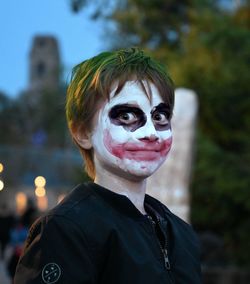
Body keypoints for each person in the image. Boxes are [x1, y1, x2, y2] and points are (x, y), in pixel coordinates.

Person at [14, 48, 201, 283]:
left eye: (160, 116)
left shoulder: (182, 234)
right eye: (127, 117)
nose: (151, 133)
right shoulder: (66, 231)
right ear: (82, 132)